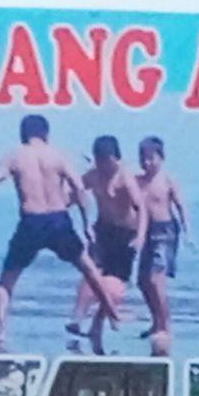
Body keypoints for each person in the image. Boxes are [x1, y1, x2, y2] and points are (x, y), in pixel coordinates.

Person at [0, 115, 119, 344]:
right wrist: (86, 225)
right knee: (89, 269)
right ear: (46, 133)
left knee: (6, 280)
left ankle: (1, 331)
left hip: (31, 222)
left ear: (23, 133)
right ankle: (114, 315)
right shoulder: (58, 155)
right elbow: (80, 190)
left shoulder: (15, 155)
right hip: (58, 220)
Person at [65, 135, 146, 344]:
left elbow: (141, 208)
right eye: (98, 159)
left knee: (115, 284)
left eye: (104, 160)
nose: (101, 164)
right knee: (90, 272)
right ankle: (77, 318)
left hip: (125, 234)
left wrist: (140, 236)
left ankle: (97, 325)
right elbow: (76, 193)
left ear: (114, 158)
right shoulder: (93, 175)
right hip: (101, 230)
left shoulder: (124, 177)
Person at [133, 137, 193, 345]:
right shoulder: (138, 180)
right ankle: (156, 321)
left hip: (166, 231)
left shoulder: (168, 180)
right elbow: (120, 178)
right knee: (142, 281)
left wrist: (188, 232)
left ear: (161, 158)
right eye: (143, 158)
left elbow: (181, 206)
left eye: (151, 158)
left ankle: (166, 326)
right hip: (146, 232)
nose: (147, 163)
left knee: (156, 280)